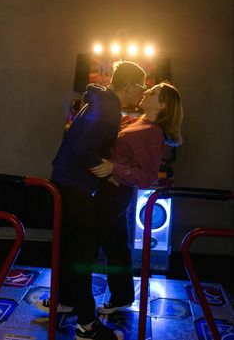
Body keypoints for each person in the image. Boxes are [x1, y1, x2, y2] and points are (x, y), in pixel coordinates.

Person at [36, 60, 146, 340]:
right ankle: (87, 325)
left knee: (74, 250)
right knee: (82, 255)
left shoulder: (101, 102)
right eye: (141, 88)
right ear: (130, 85)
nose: (142, 94)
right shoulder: (109, 109)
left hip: (67, 181)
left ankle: (70, 303)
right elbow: (84, 149)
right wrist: (106, 173)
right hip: (75, 186)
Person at [89, 81, 183, 314]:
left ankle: (68, 299)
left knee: (85, 243)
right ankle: (121, 298)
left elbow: (148, 177)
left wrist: (114, 169)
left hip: (116, 192)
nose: (146, 92)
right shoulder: (135, 120)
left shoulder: (153, 132)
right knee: (117, 247)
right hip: (111, 189)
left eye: (153, 93)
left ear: (162, 105)